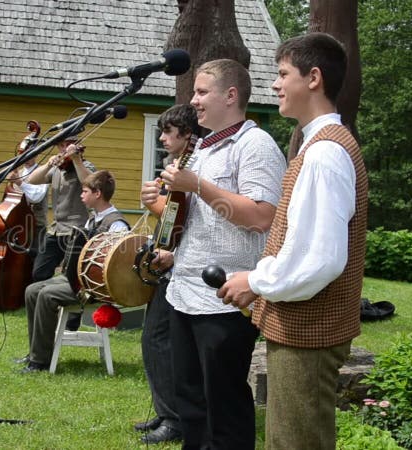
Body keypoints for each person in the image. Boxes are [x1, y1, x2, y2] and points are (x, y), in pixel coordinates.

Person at [216, 32, 368, 450]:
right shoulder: (319, 146)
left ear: (313, 77)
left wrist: (257, 281)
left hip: (310, 333)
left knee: (295, 443)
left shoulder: (324, 154)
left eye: (283, 74)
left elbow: (320, 259)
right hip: (305, 328)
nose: (275, 84)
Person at [154, 59, 286, 449]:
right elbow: (206, 222)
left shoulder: (255, 145)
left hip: (226, 297)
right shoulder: (202, 148)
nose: (193, 101)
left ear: (231, 95)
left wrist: (196, 184)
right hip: (184, 291)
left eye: (201, 91)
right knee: (192, 405)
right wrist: (167, 231)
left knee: (224, 408)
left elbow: (261, 217)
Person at [135, 104, 201, 444]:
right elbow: (177, 219)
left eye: (166, 131)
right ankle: (166, 412)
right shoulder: (179, 166)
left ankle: (173, 418)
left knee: (157, 339)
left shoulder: (193, 166)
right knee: (156, 338)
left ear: (186, 135)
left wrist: (154, 204)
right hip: (176, 260)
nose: (161, 138)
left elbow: (191, 222)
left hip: (189, 268)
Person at [19, 170, 129, 373]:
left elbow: (119, 265)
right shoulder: (92, 220)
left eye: (84, 191)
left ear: (97, 194)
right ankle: (36, 351)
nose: (81, 194)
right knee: (32, 290)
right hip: (79, 281)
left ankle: (40, 362)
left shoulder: (117, 224)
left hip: (96, 289)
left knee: (46, 294)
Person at [23, 135, 95, 334]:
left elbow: (89, 182)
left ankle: (73, 319)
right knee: (39, 272)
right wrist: (47, 165)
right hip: (55, 229)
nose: (64, 148)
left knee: (73, 276)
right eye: (61, 145)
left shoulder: (86, 165)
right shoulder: (57, 168)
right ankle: (46, 314)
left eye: (68, 145)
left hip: (77, 230)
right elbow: (31, 179)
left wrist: (77, 160)